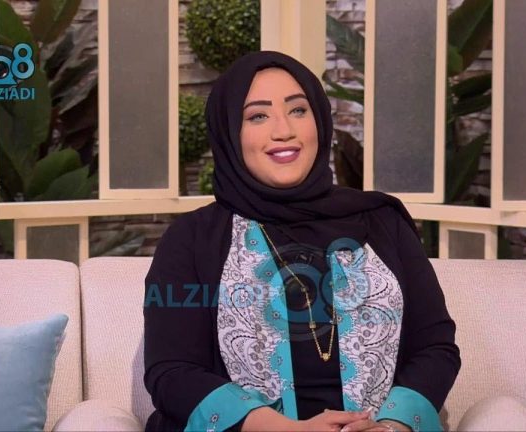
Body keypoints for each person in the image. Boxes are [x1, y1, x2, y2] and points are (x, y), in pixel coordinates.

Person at [143, 50, 460, 432]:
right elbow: (172, 370)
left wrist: (393, 426)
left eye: (298, 110)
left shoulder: (382, 221)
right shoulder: (192, 239)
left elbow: (434, 347)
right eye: (258, 116)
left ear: (320, 121)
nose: (283, 130)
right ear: (229, 133)